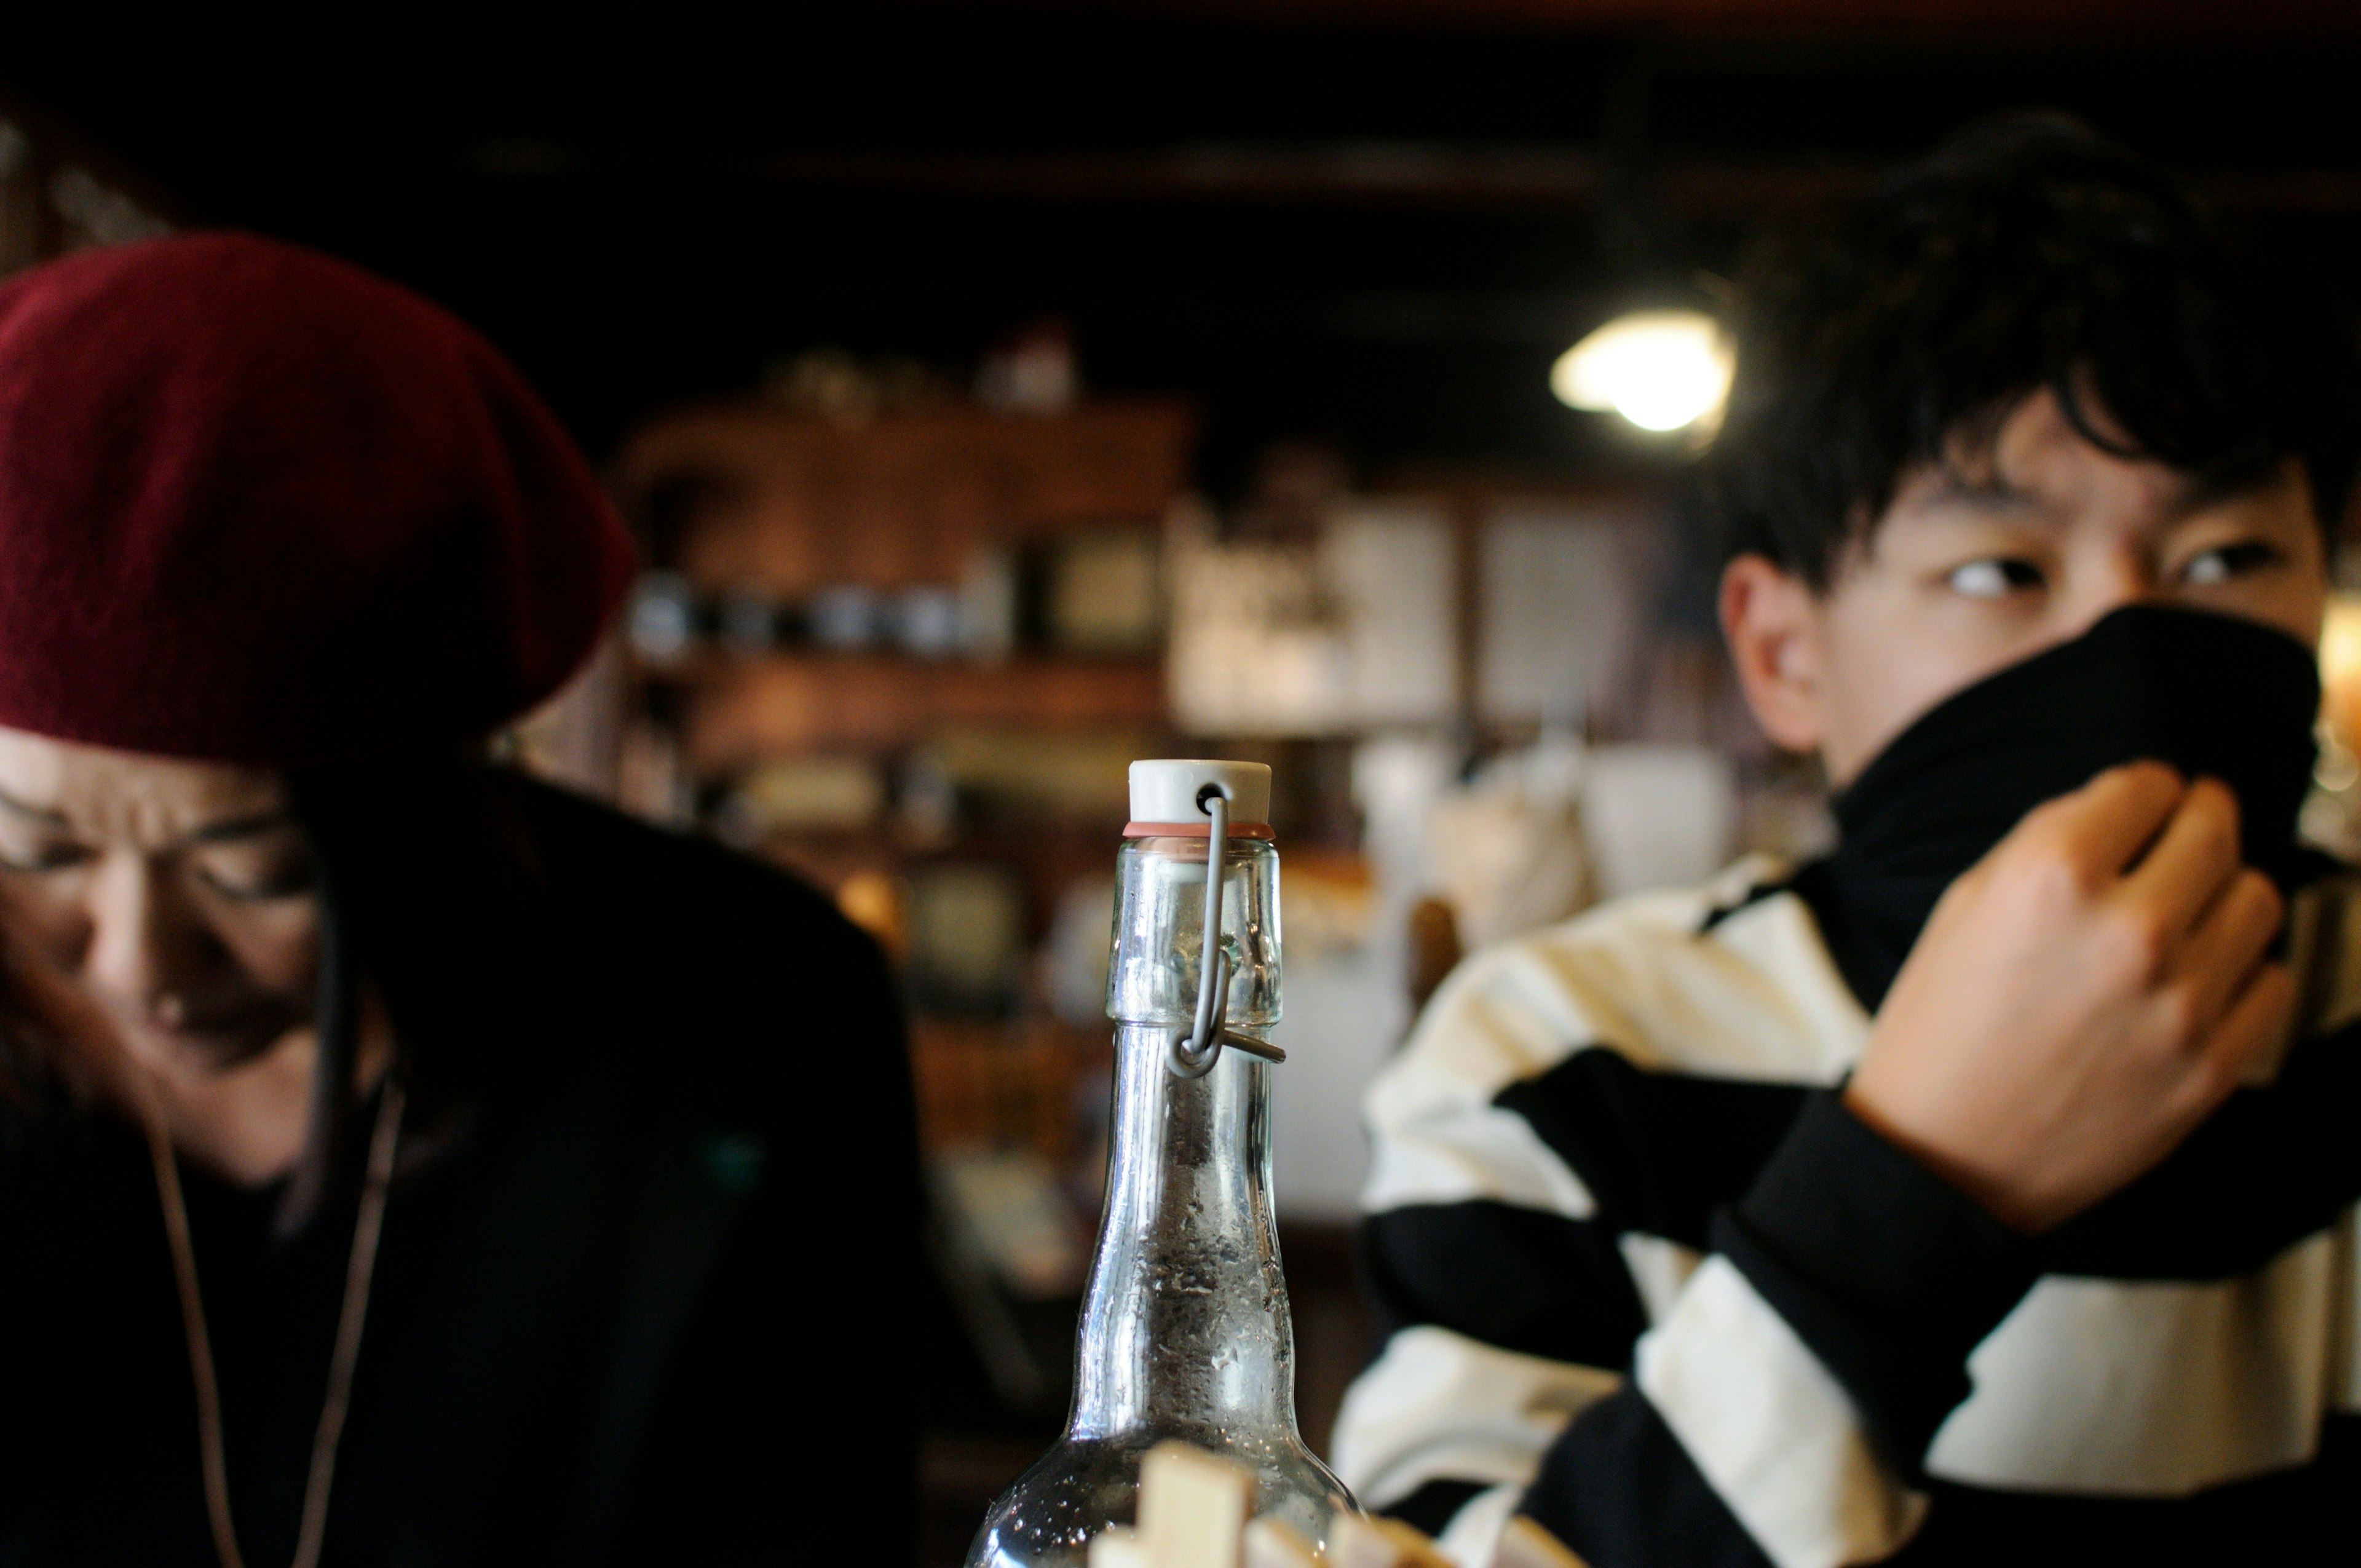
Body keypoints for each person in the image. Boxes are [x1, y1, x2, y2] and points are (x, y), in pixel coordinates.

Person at [1331, 117, 2361, 1566]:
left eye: (2225, 558)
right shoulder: (1554, 1063)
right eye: (2002, 568)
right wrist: (1919, 1186)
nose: (2127, 648)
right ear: (1784, 652)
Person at [0, 234, 919, 1565]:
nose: (141, 962)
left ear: (444, 804)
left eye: (248, 869)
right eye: (40, 850)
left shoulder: (750, 1024)